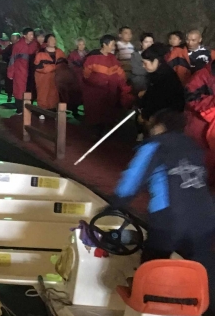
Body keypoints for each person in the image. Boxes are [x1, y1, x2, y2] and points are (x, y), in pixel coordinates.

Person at [111, 109, 215, 287]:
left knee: (152, 267)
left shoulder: (155, 146)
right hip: (205, 217)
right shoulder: (194, 147)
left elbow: (133, 179)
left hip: (169, 218)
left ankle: (149, 296)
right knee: (201, 272)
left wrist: (115, 203)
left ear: (160, 126)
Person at [82, 34, 133, 130]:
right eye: (112, 44)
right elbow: (86, 75)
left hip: (110, 93)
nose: (113, 47)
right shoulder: (92, 59)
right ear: (105, 44)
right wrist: (100, 81)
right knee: (96, 115)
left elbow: (120, 74)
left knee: (108, 115)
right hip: (95, 94)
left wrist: (125, 87)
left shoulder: (112, 58)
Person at [139, 44, 185, 122]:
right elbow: (150, 93)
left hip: (167, 117)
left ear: (155, 61)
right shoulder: (156, 73)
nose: (143, 66)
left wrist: (145, 115)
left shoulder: (165, 77)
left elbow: (158, 100)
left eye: (145, 63)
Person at [33, 34, 67, 112]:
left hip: (56, 77)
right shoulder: (40, 53)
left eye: (54, 40)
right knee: (43, 94)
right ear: (47, 42)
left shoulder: (60, 52)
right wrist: (54, 67)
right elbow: (39, 67)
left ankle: (53, 110)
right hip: (43, 78)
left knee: (54, 94)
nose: (53, 41)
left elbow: (64, 64)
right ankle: (42, 111)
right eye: (51, 40)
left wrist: (52, 67)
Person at [8, 28, 38, 113]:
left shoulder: (34, 45)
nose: (32, 36)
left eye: (32, 34)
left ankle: (28, 109)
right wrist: (10, 73)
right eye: (30, 34)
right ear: (25, 35)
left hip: (31, 72)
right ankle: (19, 109)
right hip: (20, 72)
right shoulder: (18, 46)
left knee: (30, 90)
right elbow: (12, 60)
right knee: (19, 90)